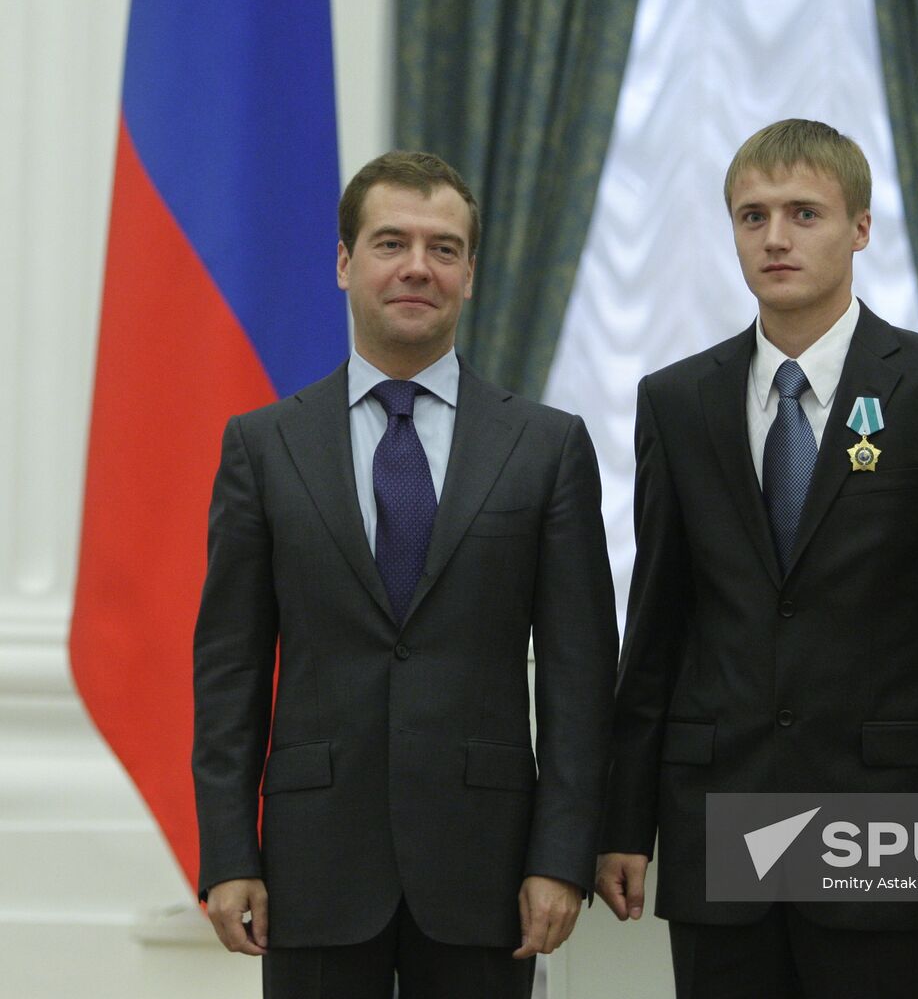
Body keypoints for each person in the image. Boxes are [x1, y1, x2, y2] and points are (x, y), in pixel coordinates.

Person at [595, 119, 918, 998]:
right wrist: (623, 822)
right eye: (752, 217)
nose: (777, 238)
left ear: (860, 228)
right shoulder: (678, 401)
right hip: (722, 824)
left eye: (804, 213)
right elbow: (659, 626)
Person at [192, 150, 616, 998]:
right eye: (391, 243)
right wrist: (229, 854)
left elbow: (580, 674)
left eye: (444, 248)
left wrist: (561, 856)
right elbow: (231, 668)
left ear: (470, 275)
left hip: (487, 869)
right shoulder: (262, 446)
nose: (418, 266)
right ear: (345, 263)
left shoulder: (547, 447)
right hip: (311, 868)